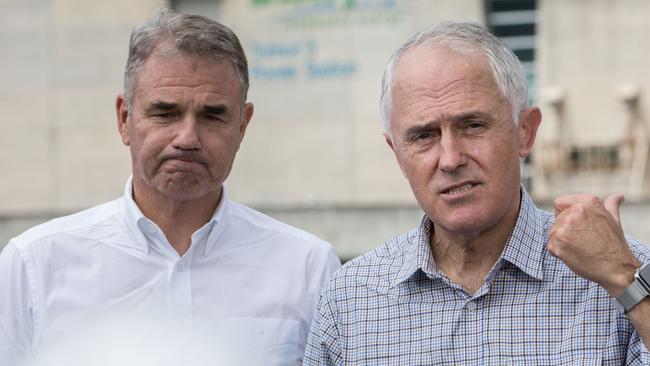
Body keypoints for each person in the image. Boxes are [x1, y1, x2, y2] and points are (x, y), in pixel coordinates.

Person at [0, 8, 340, 366]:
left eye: (212, 115)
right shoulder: (33, 267)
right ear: (124, 119)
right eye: (165, 112)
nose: (187, 138)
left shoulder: (308, 269)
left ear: (242, 125)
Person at [303, 21, 650, 365]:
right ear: (397, 154)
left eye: (473, 126)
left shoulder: (624, 273)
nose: (451, 159)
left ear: (525, 132)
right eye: (423, 136)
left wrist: (623, 279)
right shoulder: (349, 299)